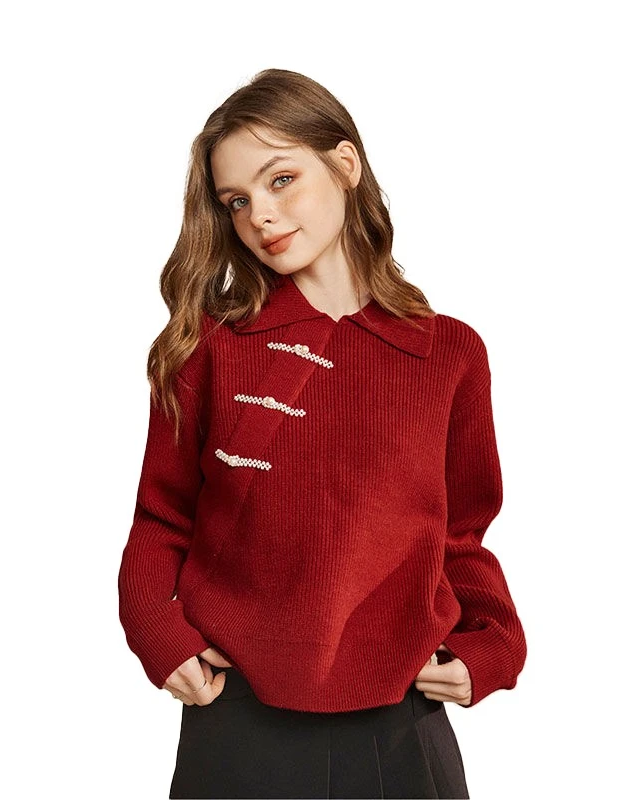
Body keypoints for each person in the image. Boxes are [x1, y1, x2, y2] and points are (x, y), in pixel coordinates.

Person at [117, 67, 527, 799]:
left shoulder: (448, 354)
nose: (260, 216)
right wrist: (157, 629)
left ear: (345, 164)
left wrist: (492, 645)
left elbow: (459, 533)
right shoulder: (209, 347)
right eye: (237, 201)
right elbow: (162, 518)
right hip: (238, 722)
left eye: (281, 180)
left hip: (402, 726)